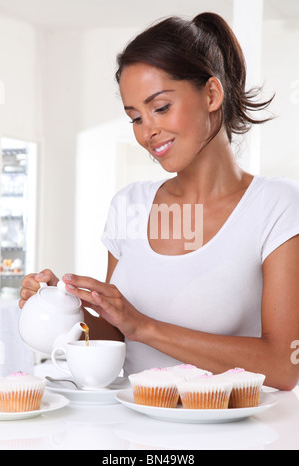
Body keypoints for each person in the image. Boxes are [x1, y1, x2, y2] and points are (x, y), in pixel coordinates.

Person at [20, 13, 299, 390]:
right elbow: (117, 336)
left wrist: (146, 327)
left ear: (212, 95)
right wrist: (65, 309)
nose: (148, 131)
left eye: (161, 107)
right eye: (135, 117)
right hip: (132, 433)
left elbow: (283, 366)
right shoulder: (129, 205)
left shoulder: (275, 206)